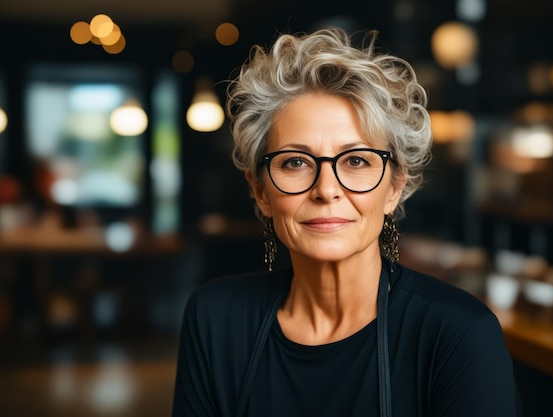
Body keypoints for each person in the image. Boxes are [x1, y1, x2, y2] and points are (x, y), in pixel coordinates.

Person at [173, 27, 520, 416]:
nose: (326, 189)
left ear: (394, 188)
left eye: (356, 161)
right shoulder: (215, 319)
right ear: (260, 191)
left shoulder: (460, 335)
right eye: (295, 162)